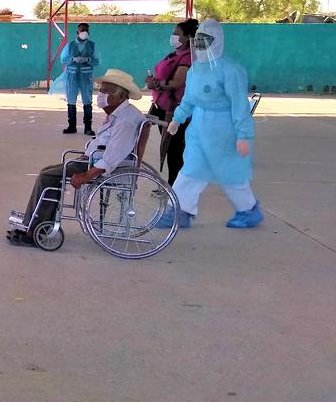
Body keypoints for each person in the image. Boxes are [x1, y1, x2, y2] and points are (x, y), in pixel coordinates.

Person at [10, 69, 147, 246]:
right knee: (49, 172)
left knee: (47, 177)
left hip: (99, 165)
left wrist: (87, 175)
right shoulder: (119, 113)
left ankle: (33, 230)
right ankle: (37, 223)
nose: (100, 95)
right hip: (92, 159)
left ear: (120, 96)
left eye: (105, 92)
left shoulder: (126, 120)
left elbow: (113, 156)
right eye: (101, 90)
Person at [157, 19, 262, 230]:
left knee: (230, 172)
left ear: (217, 40)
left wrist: (243, 135)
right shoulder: (195, 70)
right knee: (191, 169)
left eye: (206, 39)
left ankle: (248, 210)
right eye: (198, 39)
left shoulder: (230, 70)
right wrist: (177, 119)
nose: (200, 44)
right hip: (198, 127)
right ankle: (180, 210)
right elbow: (188, 99)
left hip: (223, 129)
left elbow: (239, 106)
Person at [145, 18, 198, 184]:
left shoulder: (187, 58)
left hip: (174, 109)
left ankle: (175, 186)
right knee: (169, 147)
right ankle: (173, 184)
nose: (173, 36)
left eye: (176, 34)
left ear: (187, 37)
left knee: (175, 149)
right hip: (162, 106)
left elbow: (177, 82)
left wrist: (157, 84)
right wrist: (153, 82)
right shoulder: (175, 54)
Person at [60, 22, 100, 136]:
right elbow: (63, 60)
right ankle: (72, 126)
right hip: (72, 77)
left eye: (86, 30)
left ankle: (88, 127)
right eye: (82, 30)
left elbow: (97, 61)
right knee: (71, 100)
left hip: (86, 77)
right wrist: (73, 59)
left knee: (87, 100)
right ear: (77, 32)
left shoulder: (92, 45)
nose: (84, 32)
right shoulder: (70, 45)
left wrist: (88, 60)